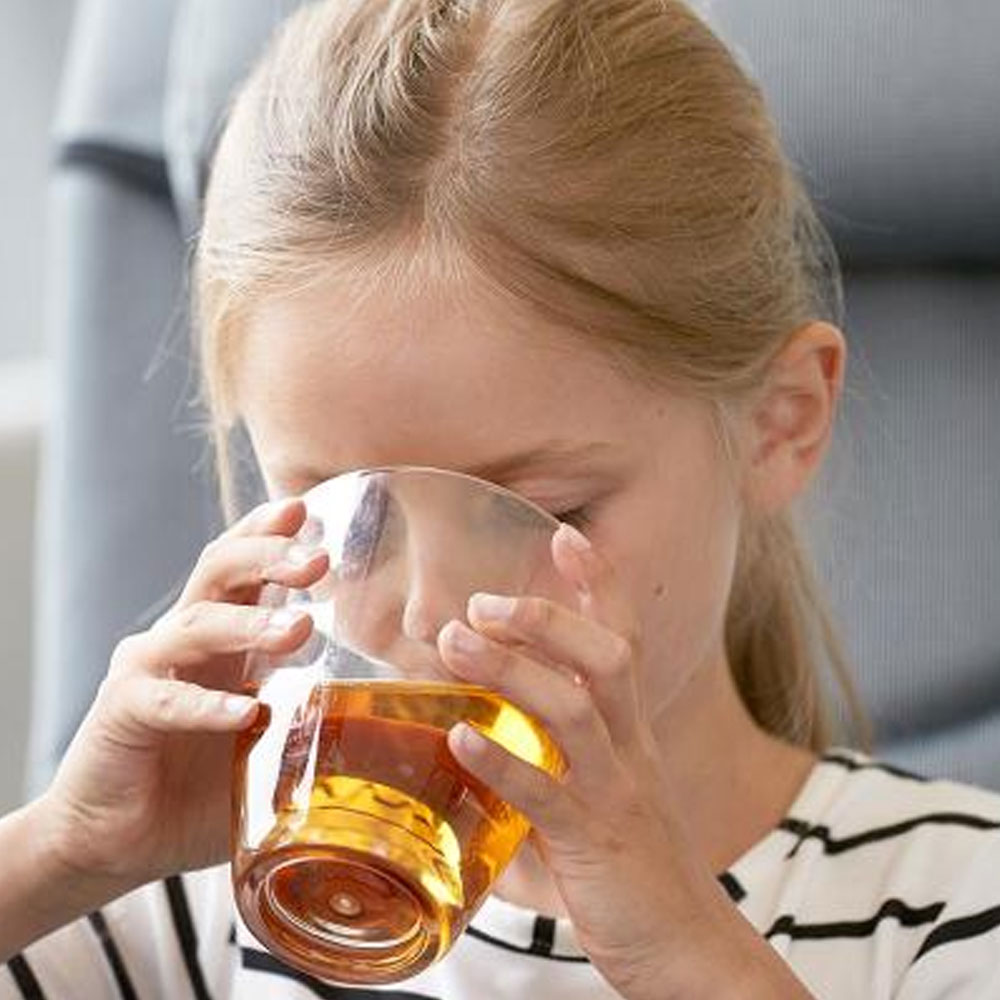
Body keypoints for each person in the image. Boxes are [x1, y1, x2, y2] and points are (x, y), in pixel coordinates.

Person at [3, 0, 999, 996]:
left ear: (779, 425)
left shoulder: (951, 903)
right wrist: (62, 850)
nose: (427, 613)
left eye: (550, 511)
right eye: (354, 514)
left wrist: (680, 950)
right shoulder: (187, 927)